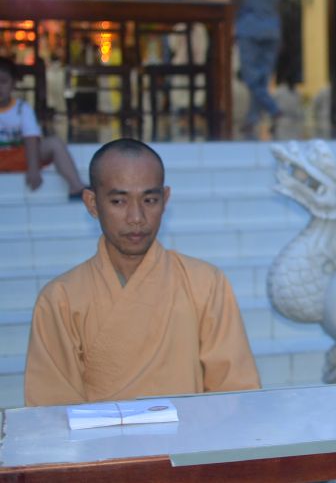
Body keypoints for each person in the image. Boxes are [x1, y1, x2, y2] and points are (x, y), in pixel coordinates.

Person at [24, 138, 260, 406]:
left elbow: (235, 392)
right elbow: (52, 407)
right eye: (118, 201)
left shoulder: (205, 284)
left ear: (165, 199)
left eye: (149, 200)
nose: (136, 217)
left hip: (191, 433)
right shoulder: (60, 299)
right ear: (92, 203)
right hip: (100, 436)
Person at [0, 57, 85, 200]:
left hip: (20, 156)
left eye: (3, 82)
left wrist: (33, 168)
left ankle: (76, 186)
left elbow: (31, 139)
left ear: (13, 84)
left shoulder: (22, 108)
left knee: (55, 143)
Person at [229, 0, 282, 140]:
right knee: (261, 78)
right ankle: (252, 119)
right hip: (271, 29)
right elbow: (277, 2)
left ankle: (273, 108)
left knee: (251, 76)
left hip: (250, 28)